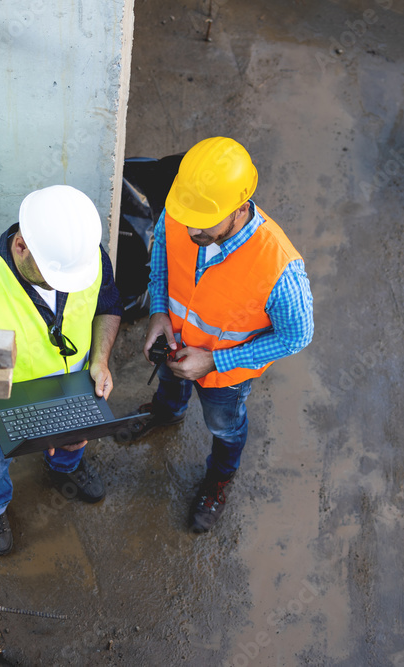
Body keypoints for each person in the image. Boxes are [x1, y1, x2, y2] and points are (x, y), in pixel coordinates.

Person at [0, 185, 122, 555]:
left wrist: (99, 360)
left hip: (75, 384)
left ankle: (65, 467)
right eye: (55, 279)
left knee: (73, 438)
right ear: (21, 246)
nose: (64, 287)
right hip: (2, 405)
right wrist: (29, 424)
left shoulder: (84, 258)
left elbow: (107, 306)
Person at [140, 137, 314, 533]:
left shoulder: (280, 267)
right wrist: (158, 312)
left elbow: (297, 336)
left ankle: (220, 478)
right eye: (188, 216)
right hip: (174, 344)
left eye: (204, 221)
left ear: (239, 208)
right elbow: (161, 262)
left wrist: (215, 361)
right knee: (169, 386)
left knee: (224, 427)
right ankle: (168, 412)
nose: (192, 227)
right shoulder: (182, 209)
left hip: (226, 376)